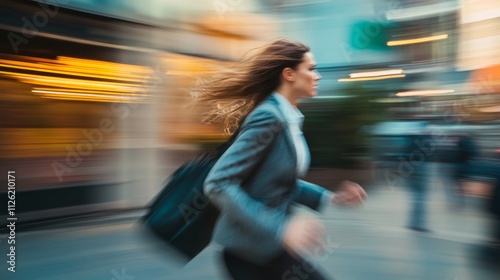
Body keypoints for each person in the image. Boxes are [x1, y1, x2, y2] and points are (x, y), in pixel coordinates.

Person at [192, 39, 367, 280]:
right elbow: (218, 184)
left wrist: (331, 197)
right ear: (289, 74)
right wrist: (281, 228)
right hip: (247, 253)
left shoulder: (288, 118)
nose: (317, 76)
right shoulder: (269, 117)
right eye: (311, 69)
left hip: (272, 249)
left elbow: (280, 182)